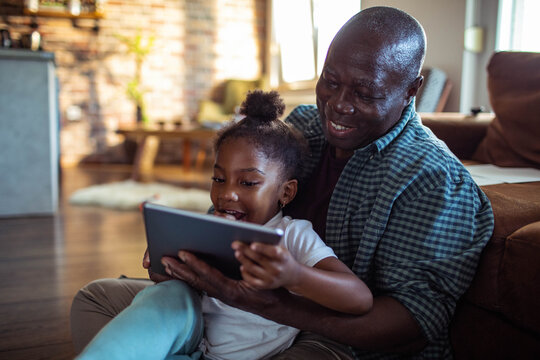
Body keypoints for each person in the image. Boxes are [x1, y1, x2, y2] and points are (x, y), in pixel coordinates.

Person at [71, 6, 494, 359]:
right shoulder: (305, 125)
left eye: (365, 93)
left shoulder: (433, 181)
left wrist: (273, 305)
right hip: (226, 311)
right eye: (330, 81)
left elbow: (411, 325)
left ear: (411, 89)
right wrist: (189, 259)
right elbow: (236, 207)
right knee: (94, 299)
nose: (339, 105)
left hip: (332, 338)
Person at [74, 90, 373, 360]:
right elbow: (182, 292)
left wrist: (294, 274)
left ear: (286, 192)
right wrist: (165, 267)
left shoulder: (292, 236)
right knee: (104, 300)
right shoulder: (208, 229)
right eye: (218, 179)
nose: (227, 193)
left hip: (261, 354)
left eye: (248, 182)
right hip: (195, 346)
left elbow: (359, 298)